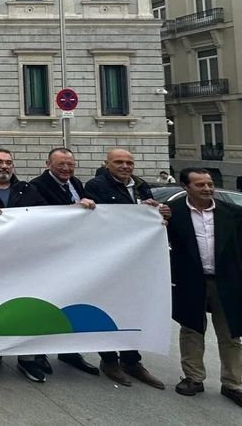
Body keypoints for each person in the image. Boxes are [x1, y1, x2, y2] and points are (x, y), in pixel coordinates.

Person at [168, 168, 242, 413]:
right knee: (191, 330)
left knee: (230, 334)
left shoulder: (234, 213)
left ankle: (233, 384)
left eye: (209, 184)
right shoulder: (174, 212)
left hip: (228, 282)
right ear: (185, 187)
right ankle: (193, 378)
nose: (207, 188)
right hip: (191, 281)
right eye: (200, 185)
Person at [84, 148, 169, 389]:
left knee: (132, 310)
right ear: (107, 164)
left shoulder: (141, 186)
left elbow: (150, 216)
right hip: (108, 258)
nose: (125, 166)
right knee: (107, 308)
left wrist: (159, 212)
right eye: (119, 162)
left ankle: (132, 361)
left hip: (136, 260)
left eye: (129, 162)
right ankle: (109, 360)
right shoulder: (96, 186)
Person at [0, 148, 48, 382]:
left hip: (22, 261)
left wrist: (78, 208)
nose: (4, 166)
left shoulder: (28, 190)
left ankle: (27, 358)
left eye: (8, 162)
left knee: (25, 307)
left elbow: (49, 215)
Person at [26, 147, 100, 377]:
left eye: (70, 164)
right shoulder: (36, 186)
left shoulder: (76, 184)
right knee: (45, 303)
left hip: (74, 255)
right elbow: (40, 215)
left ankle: (69, 350)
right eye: (61, 165)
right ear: (48, 165)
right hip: (49, 256)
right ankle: (39, 353)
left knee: (71, 301)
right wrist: (72, 210)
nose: (66, 169)